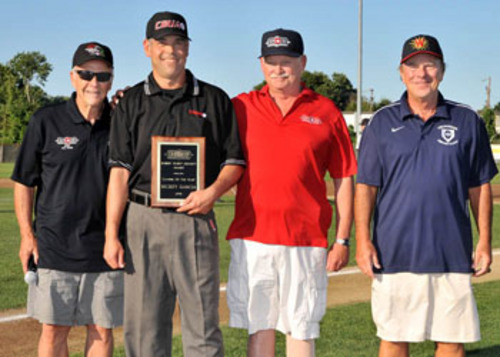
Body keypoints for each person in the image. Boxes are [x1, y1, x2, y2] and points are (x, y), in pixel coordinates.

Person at [103, 11, 245, 357]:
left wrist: (212, 192)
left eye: (178, 43)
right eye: (162, 43)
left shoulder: (213, 99)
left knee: (203, 326)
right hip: (142, 219)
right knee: (143, 328)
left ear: (187, 48)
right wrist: (111, 234)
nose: (171, 50)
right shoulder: (131, 101)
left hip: (194, 220)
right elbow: (119, 172)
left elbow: (234, 161)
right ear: (147, 47)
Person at [355, 34, 498, 357]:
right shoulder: (381, 122)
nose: (422, 73)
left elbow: (479, 186)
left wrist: (484, 241)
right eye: (414, 66)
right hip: (393, 252)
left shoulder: (467, 120)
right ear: (401, 73)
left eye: (430, 65)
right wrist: (362, 240)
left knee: (450, 341)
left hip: (450, 251)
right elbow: (366, 186)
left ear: (442, 72)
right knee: (393, 338)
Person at [226, 28, 357, 357]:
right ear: (261, 65)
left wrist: (341, 239)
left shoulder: (326, 112)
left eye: (287, 62)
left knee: (301, 328)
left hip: (305, 240)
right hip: (252, 237)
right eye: (272, 62)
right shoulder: (240, 106)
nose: (278, 69)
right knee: (260, 327)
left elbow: (343, 178)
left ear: (303, 63)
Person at [12, 42, 122, 357]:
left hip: (105, 247)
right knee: (53, 329)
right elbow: (24, 182)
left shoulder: (120, 123)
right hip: (53, 245)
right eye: (86, 74)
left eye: (102, 76)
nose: (94, 83)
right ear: (72, 77)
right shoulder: (46, 120)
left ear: (111, 80)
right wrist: (26, 235)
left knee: (101, 328)